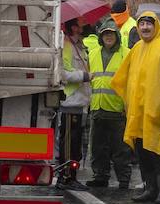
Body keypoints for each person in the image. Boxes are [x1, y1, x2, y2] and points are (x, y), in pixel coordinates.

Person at [112, 11, 160, 204]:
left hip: (159, 113)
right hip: (139, 112)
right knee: (143, 154)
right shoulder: (137, 48)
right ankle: (150, 188)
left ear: (156, 26)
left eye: (148, 24)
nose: (145, 27)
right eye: (141, 24)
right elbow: (125, 76)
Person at [84, 18, 134, 189]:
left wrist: (127, 107)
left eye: (111, 34)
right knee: (98, 148)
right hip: (97, 108)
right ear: (101, 36)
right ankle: (100, 176)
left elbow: (132, 82)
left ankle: (124, 179)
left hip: (118, 110)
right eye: (105, 33)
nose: (108, 37)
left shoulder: (126, 54)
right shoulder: (93, 53)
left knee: (121, 149)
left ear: (117, 36)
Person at [57, 17, 91, 191]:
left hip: (79, 102)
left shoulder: (79, 45)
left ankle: (71, 176)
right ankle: (66, 177)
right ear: (72, 27)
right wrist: (85, 76)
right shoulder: (67, 46)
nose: (82, 25)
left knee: (75, 142)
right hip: (70, 102)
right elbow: (63, 73)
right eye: (79, 23)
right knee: (70, 142)